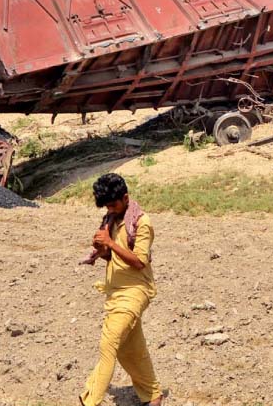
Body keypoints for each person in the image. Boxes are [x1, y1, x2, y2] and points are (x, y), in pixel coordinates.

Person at [79, 173, 163, 406]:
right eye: (106, 206)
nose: (110, 209)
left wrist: (111, 243)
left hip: (136, 291)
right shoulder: (111, 219)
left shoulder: (142, 222)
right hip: (114, 292)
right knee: (130, 350)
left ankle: (89, 400)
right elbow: (110, 257)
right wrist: (101, 248)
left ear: (125, 198)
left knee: (109, 344)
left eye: (113, 204)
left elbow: (139, 262)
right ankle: (153, 395)